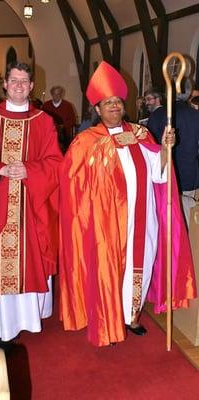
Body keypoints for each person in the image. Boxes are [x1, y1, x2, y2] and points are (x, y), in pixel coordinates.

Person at [59, 61, 197, 347]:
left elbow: (160, 173)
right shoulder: (85, 142)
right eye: (107, 102)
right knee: (108, 270)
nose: (114, 106)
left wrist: (166, 150)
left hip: (142, 216)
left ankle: (131, 316)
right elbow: (73, 186)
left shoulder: (140, 134)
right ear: (97, 109)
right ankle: (106, 319)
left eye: (118, 102)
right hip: (104, 223)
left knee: (141, 264)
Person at [0, 61, 63, 346]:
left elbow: (56, 163)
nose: (19, 86)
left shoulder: (43, 122)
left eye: (24, 81)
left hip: (30, 208)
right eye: (14, 80)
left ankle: (25, 321)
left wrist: (30, 170)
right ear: (5, 84)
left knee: (29, 257)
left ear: (32, 87)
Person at [147, 81, 199, 227]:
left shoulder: (157, 115)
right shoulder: (195, 115)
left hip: (163, 173)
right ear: (189, 93)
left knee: (163, 218)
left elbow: (150, 147)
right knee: (185, 218)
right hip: (189, 175)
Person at [42, 85, 77, 152]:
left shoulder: (68, 106)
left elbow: (72, 120)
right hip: (49, 135)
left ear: (61, 94)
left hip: (64, 137)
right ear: (51, 94)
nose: (56, 96)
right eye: (54, 94)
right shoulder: (46, 105)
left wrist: (63, 127)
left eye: (58, 94)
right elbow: (42, 121)